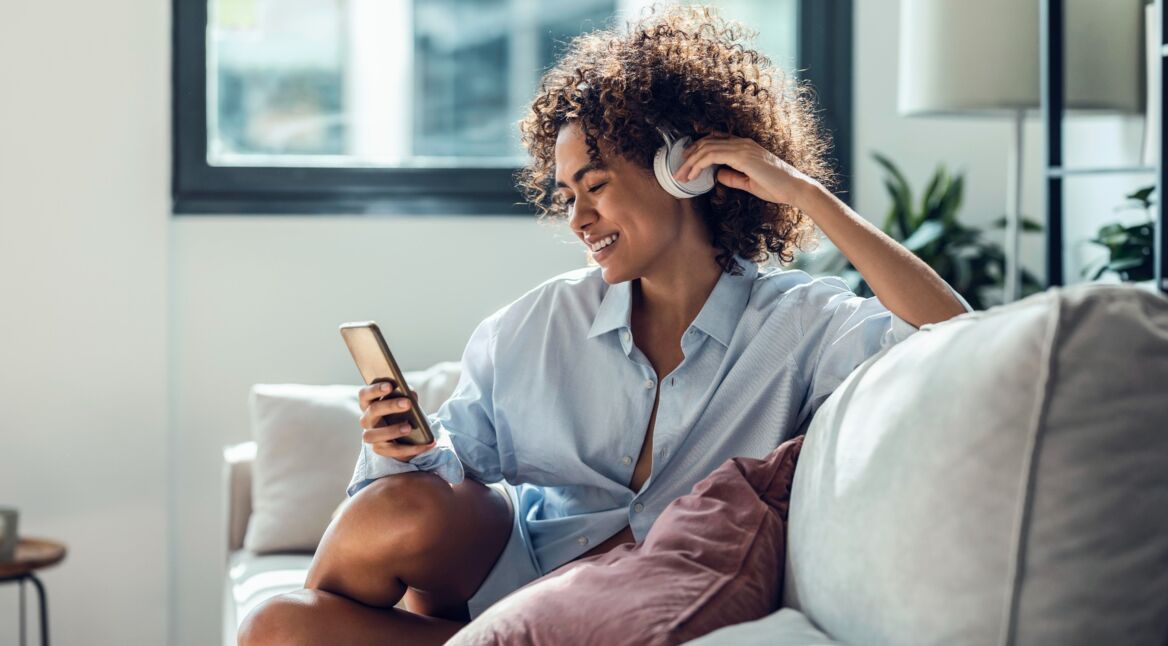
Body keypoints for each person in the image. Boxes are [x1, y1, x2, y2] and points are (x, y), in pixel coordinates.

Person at [238, 4, 971, 645]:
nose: (579, 219)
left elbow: (957, 342)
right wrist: (405, 445)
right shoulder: (537, 325)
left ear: (683, 168)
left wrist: (806, 196)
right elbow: (442, 480)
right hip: (516, 576)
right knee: (304, 594)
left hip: (642, 602)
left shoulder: (801, 323)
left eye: (596, 186)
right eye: (565, 196)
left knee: (285, 630)